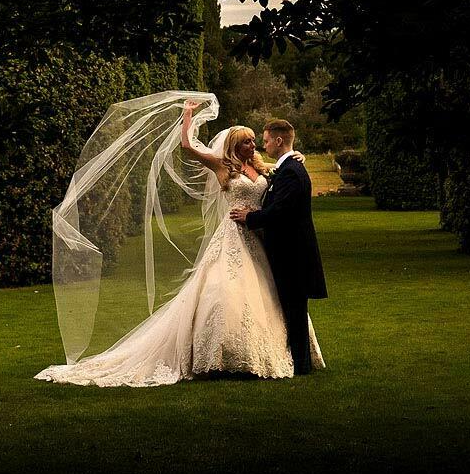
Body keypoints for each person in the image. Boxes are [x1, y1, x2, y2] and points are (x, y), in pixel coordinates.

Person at [34, 97, 324, 386]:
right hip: (234, 234)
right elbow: (188, 147)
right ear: (234, 145)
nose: (253, 145)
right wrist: (187, 115)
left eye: (254, 140)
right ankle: (223, 353)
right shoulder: (223, 166)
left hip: (258, 235)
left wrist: (297, 156)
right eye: (246, 141)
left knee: (267, 291)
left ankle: (275, 349)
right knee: (223, 291)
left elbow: (285, 172)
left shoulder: (261, 168)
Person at [230, 116, 328, 374]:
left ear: (279, 140)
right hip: (289, 252)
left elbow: (280, 210)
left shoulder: (291, 172)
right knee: (292, 309)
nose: (263, 146)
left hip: (292, 254)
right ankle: (299, 362)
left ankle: (301, 365)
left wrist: (249, 217)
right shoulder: (287, 168)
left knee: (294, 310)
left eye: (265, 141)